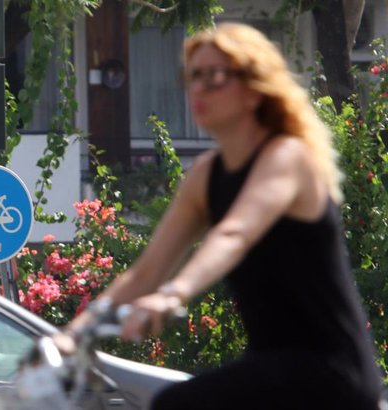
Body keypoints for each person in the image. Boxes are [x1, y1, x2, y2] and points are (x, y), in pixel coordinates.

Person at [63, 22, 385, 409]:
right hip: (271, 368)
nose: (198, 88)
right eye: (192, 76)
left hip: (330, 373)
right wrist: (73, 333)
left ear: (254, 90)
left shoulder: (287, 157)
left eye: (214, 76)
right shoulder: (205, 176)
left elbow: (235, 233)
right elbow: (147, 272)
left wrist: (173, 295)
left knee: (177, 405)